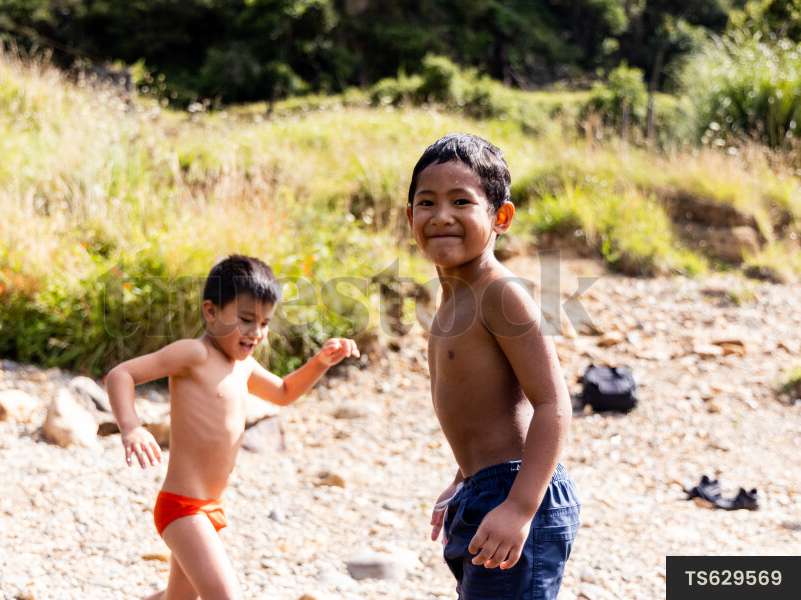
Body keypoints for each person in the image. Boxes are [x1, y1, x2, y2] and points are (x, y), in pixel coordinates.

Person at [106, 254, 359, 600]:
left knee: (177, 598)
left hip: (211, 507)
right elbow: (123, 374)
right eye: (246, 319)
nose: (256, 332)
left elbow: (284, 393)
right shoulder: (194, 355)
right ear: (211, 312)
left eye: (265, 323)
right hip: (182, 507)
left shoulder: (244, 367)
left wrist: (320, 362)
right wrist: (131, 426)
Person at [407, 133, 580, 599]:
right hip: (483, 491)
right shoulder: (447, 308)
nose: (441, 216)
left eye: (461, 201)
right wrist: (463, 480)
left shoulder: (500, 294)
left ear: (500, 216)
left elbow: (553, 403)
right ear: (410, 218)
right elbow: (485, 413)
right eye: (427, 202)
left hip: (519, 489)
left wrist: (520, 507)